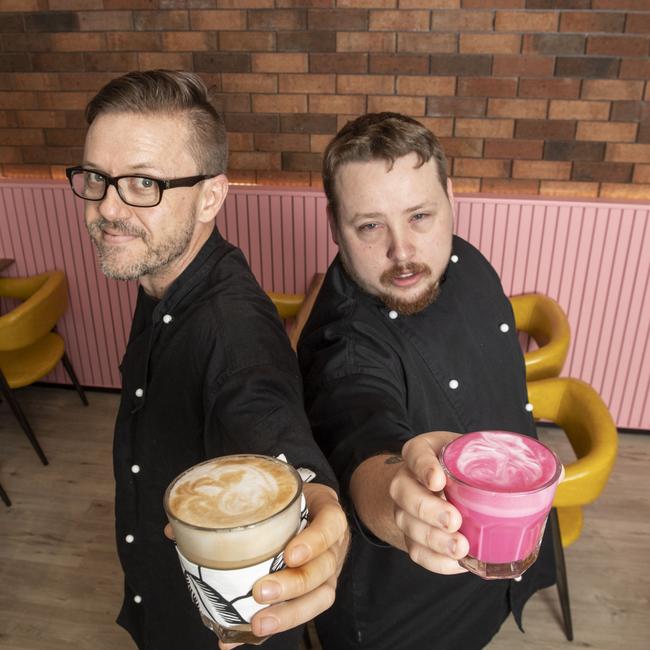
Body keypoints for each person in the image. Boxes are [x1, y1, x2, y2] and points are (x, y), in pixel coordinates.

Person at [65, 70, 348, 650]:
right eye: (98, 178)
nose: (108, 208)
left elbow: (267, 419)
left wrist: (316, 504)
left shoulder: (232, 330)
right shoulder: (162, 276)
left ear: (211, 196)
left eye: (144, 182)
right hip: (163, 601)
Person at [298, 112, 556, 649]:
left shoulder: (468, 263)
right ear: (335, 224)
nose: (403, 252)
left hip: (503, 567)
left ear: (450, 198)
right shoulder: (342, 343)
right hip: (409, 611)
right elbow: (361, 431)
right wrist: (398, 499)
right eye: (369, 226)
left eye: (420, 215)